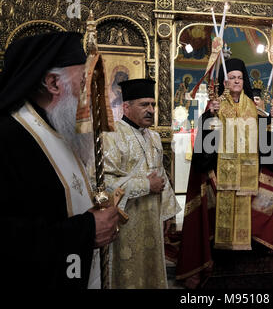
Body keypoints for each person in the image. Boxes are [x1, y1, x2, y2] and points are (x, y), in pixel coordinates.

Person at [0, 32, 120, 289]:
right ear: (53, 83)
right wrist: (86, 231)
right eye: (86, 80)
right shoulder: (8, 138)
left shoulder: (56, 127)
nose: (97, 94)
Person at [176, 58, 273, 288]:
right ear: (225, 81)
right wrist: (210, 117)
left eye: (239, 78)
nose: (236, 81)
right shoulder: (216, 105)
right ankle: (218, 246)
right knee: (217, 198)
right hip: (222, 170)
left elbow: (268, 146)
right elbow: (205, 145)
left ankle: (253, 244)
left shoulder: (254, 107)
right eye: (231, 78)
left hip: (250, 171)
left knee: (260, 194)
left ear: (244, 81)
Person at [101, 78, 181, 288]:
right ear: (126, 107)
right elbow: (103, 184)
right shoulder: (111, 136)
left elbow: (161, 175)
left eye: (153, 104)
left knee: (151, 271)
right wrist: (145, 186)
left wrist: (166, 214)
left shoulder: (154, 137)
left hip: (152, 220)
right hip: (125, 224)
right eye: (144, 104)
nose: (151, 110)